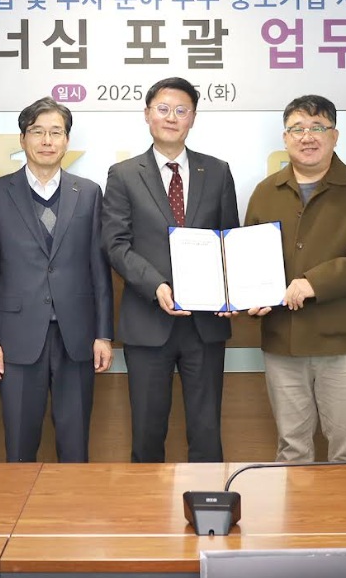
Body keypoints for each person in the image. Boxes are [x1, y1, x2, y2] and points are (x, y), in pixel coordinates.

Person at [244, 95, 346, 463]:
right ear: (285, 138)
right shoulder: (265, 192)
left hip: (342, 343)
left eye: (318, 127)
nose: (307, 136)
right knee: (291, 450)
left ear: (335, 135)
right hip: (283, 341)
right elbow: (250, 257)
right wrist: (248, 294)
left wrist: (313, 283)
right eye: (297, 129)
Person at [102, 76, 239, 463]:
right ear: (147, 114)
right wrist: (157, 285)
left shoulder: (217, 171)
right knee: (147, 431)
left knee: (207, 431)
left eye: (181, 110)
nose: (171, 117)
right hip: (148, 321)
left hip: (205, 323)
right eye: (163, 109)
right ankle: (146, 504)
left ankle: (209, 501)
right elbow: (115, 244)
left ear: (193, 117)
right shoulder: (123, 174)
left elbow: (229, 240)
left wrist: (231, 291)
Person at [0, 97, 114, 462]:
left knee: (75, 445)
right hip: (16, 337)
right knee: (19, 445)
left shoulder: (89, 193)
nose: (47, 140)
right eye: (37, 131)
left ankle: (73, 502)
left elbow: (99, 270)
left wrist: (103, 334)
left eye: (56, 132)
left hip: (76, 336)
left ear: (67, 140)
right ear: (22, 139)